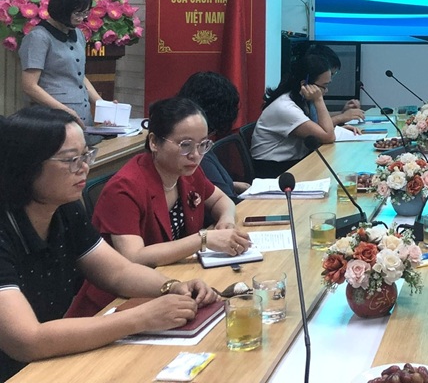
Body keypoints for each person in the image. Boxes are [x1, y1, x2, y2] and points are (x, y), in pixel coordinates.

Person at [0, 107, 216, 382]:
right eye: (71, 160)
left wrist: (172, 286)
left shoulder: (64, 208)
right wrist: (140, 318)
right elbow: (26, 340)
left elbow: (118, 272)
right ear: (27, 166)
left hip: (49, 361)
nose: (84, 167)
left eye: (86, 155)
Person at [68, 97, 251, 316]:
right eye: (185, 145)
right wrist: (204, 239)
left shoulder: (187, 171)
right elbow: (134, 257)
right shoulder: (125, 187)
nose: (195, 155)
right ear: (154, 142)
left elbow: (223, 201)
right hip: (118, 302)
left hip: (172, 283)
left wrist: (226, 222)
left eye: (203, 145)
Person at [18, 0, 102, 127]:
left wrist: (101, 104)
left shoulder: (78, 34)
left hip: (82, 114)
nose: (81, 18)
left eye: (85, 13)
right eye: (77, 13)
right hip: (53, 118)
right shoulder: (38, 37)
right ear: (62, 9)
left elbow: (79, 76)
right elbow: (29, 86)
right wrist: (65, 111)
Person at [251, 53, 336, 178]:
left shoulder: (299, 99)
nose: (326, 90)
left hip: (291, 163)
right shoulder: (286, 108)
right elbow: (328, 136)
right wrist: (318, 99)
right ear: (305, 84)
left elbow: (320, 127)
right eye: (324, 86)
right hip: (273, 170)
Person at [177, 71, 251, 212]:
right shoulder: (197, 155)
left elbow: (208, 185)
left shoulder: (203, 146)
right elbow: (227, 200)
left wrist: (232, 184)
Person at [302, 43, 365, 127]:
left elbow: (320, 117)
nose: (330, 79)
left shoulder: (312, 94)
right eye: (331, 74)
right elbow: (315, 128)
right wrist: (342, 117)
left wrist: (343, 113)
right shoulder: (295, 102)